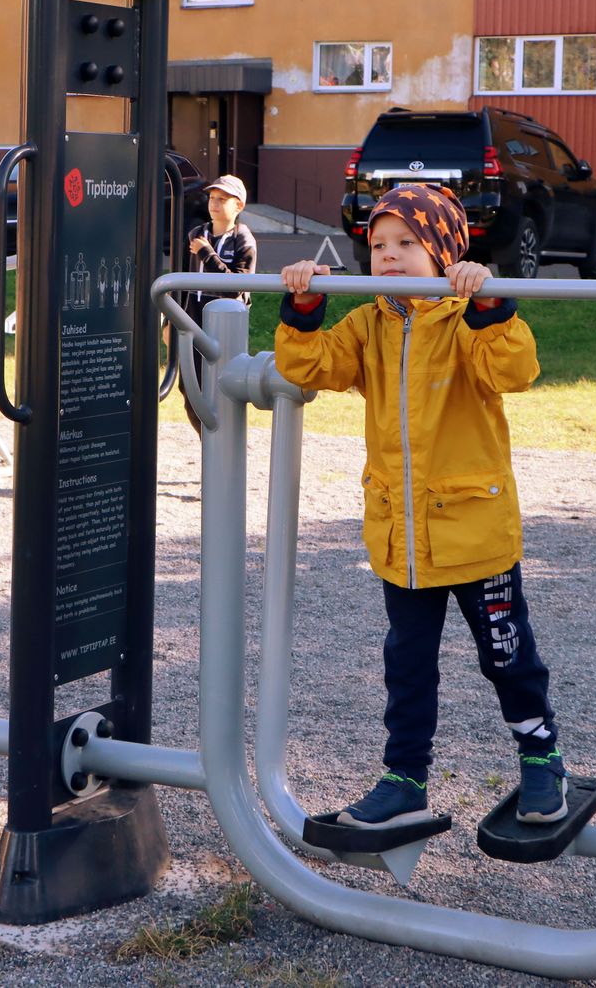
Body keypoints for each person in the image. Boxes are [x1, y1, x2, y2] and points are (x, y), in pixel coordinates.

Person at [273, 182, 568, 829]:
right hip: (402, 539)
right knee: (407, 666)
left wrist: (488, 301)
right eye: (378, 244)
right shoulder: (368, 322)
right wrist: (303, 305)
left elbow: (514, 371)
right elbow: (310, 367)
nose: (389, 255)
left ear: (443, 252)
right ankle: (405, 776)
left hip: (473, 533)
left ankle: (542, 759)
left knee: (506, 655)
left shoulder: (464, 321)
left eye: (407, 242)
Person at [177, 174, 258, 432]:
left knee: (221, 391)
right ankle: (208, 446)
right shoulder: (196, 233)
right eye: (212, 197)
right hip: (194, 320)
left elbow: (236, 287)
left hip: (225, 327)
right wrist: (172, 319)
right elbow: (180, 278)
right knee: (189, 387)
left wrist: (207, 255)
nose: (214, 203)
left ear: (238, 206)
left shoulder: (243, 239)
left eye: (222, 199)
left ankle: (221, 451)